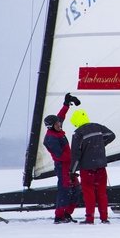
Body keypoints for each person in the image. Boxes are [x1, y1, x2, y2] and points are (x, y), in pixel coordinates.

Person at [70, 109, 116, 224]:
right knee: (101, 193)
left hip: (87, 168)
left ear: (76, 121)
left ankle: (89, 218)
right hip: (100, 166)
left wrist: (72, 171)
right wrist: (100, 144)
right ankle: (104, 218)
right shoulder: (97, 126)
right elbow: (111, 135)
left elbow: (76, 154)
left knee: (89, 193)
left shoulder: (78, 133)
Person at [43, 92, 81, 224]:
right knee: (65, 190)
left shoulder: (57, 129)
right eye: (57, 124)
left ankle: (67, 213)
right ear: (51, 126)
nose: (60, 125)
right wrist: (76, 155)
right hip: (63, 167)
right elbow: (61, 156)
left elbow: (61, 117)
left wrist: (66, 104)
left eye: (59, 123)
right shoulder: (51, 138)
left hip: (70, 166)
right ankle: (59, 216)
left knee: (76, 190)